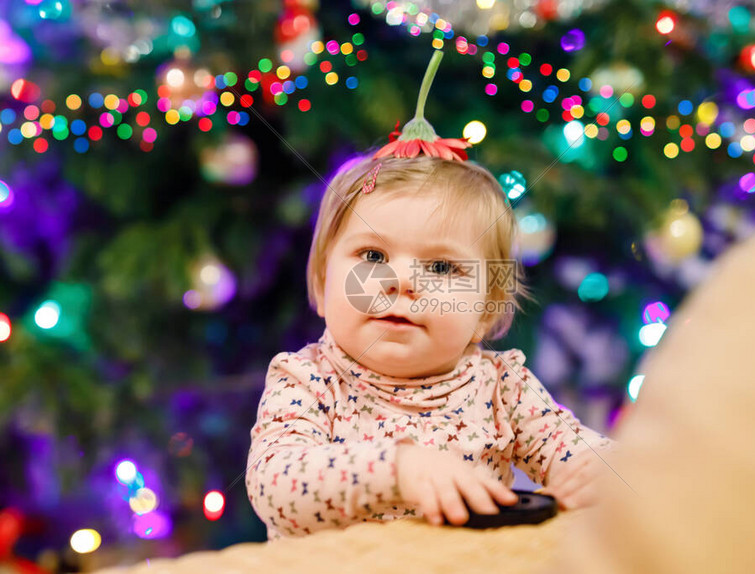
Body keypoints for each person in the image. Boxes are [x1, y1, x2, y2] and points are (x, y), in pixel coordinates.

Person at [245, 51, 613, 539]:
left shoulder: (502, 388)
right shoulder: (308, 382)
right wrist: (398, 470)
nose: (403, 283)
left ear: (484, 310)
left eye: (441, 266)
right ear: (323, 282)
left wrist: (599, 469)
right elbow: (277, 488)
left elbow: (575, 449)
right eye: (373, 256)